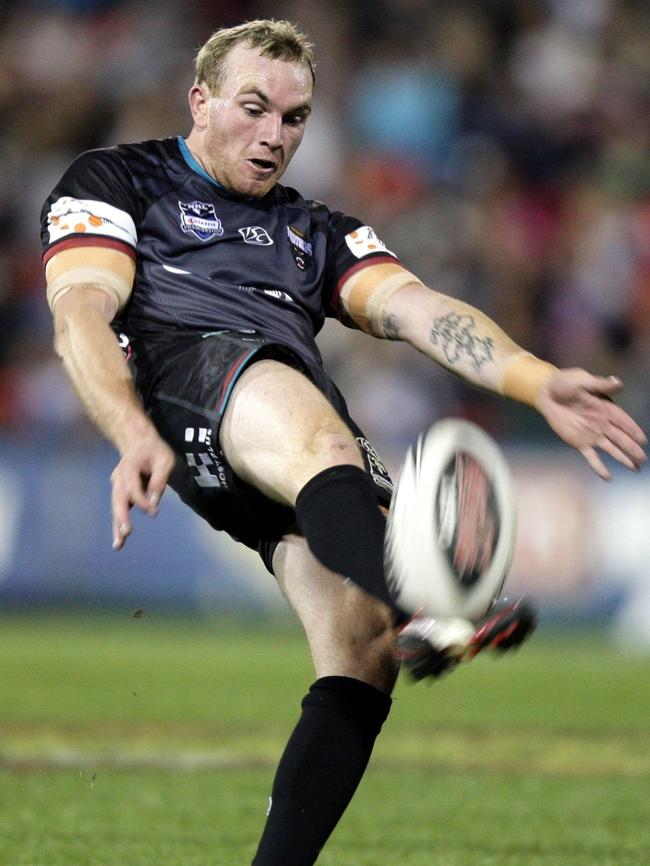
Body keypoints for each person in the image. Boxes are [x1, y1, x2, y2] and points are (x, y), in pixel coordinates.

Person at [41, 20, 646, 866]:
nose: (272, 136)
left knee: (361, 652)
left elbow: (420, 309)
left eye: (294, 119)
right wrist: (129, 429)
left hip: (280, 433)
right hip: (191, 377)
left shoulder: (316, 230)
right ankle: (429, 602)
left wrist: (534, 378)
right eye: (253, 109)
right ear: (200, 100)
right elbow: (81, 311)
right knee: (319, 436)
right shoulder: (119, 179)